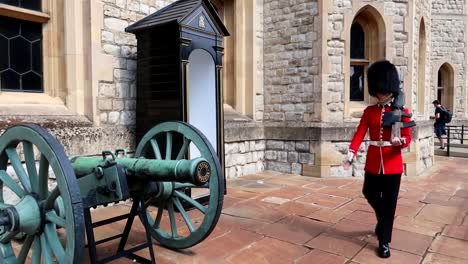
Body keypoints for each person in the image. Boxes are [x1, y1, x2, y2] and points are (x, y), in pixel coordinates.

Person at [343, 60, 413, 258]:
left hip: (393, 164)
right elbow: (360, 133)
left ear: (390, 88)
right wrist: (351, 152)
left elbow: (408, 138)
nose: (380, 94)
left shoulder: (401, 112)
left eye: (383, 90)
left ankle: (384, 242)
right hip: (373, 162)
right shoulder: (369, 112)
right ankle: (383, 221)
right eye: (378, 90)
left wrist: (401, 142)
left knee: (389, 203)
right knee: (369, 192)